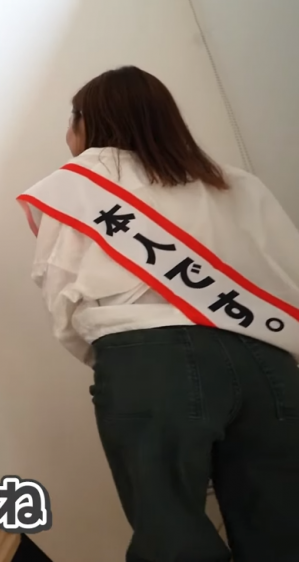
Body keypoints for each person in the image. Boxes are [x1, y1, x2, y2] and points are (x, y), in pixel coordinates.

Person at [18, 65, 299, 562]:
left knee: (172, 536)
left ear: (87, 122)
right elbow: (287, 268)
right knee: (282, 530)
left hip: (150, 358)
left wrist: (118, 362)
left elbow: (60, 289)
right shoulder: (234, 181)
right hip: (269, 362)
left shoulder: (78, 184)